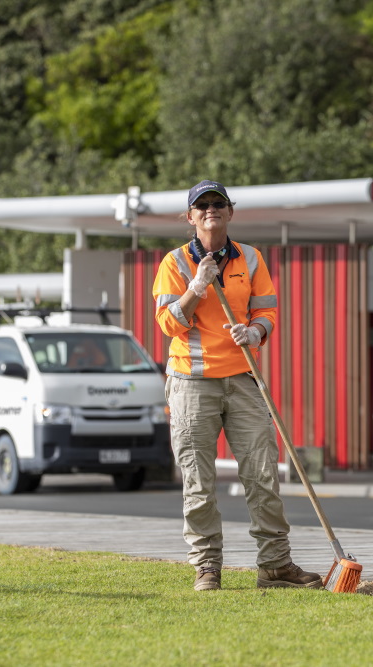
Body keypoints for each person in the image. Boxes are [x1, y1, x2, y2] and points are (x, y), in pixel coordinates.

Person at [152, 179, 322, 592]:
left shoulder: (251, 258)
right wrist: (197, 287)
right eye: (202, 205)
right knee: (198, 480)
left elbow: (267, 310)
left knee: (263, 473)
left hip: (243, 377)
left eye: (218, 203)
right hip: (192, 383)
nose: (210, 209)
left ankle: (275, 565)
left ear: (230, 212)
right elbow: (169, 324)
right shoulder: (174, 263)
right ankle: (207, 566)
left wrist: (255, 332)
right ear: (190, 217)